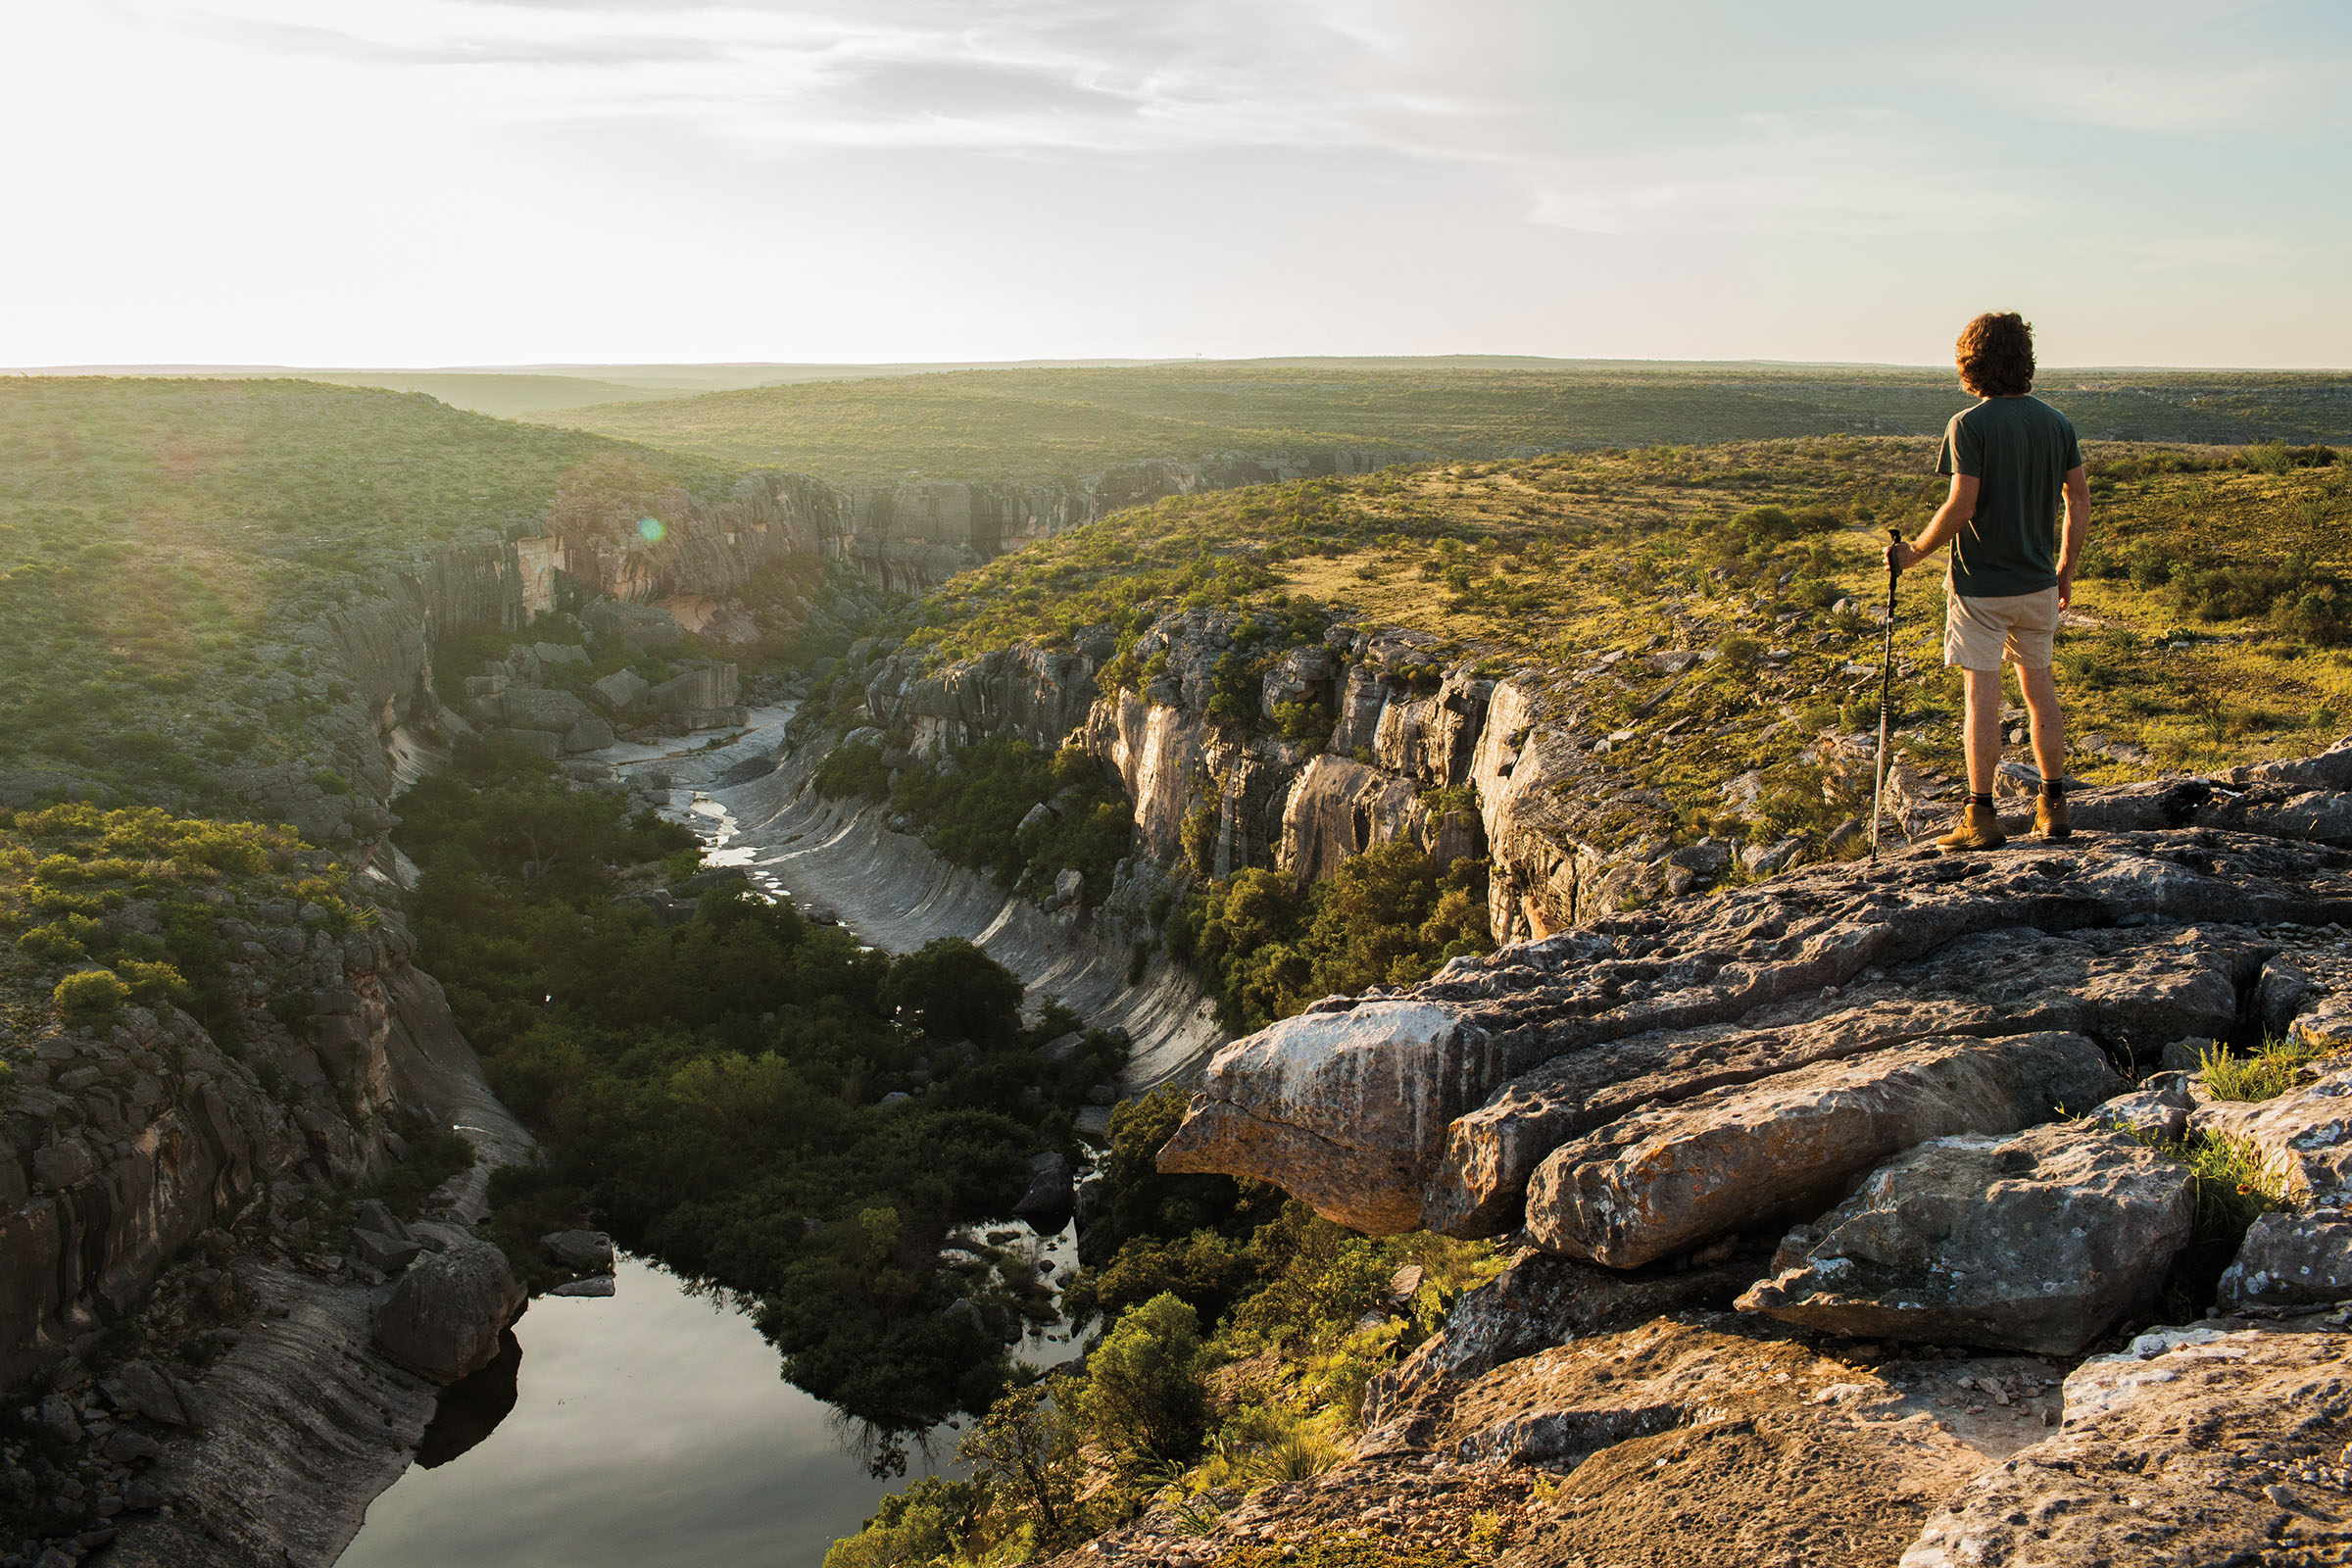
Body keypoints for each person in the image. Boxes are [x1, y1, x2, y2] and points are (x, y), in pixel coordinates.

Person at [1885, 311, 2089, 851]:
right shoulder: (2056, 423)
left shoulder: (1968, 425)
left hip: (1980, 588)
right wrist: (2065, 567)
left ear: (1971, 364)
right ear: (2024, 361)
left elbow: (1962, 504)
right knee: (2040, 690)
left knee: (1982, 697)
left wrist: (1915, 553)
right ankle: (2054, 804)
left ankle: (1981, 816)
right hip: (2039, 581)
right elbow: (2079, 499)